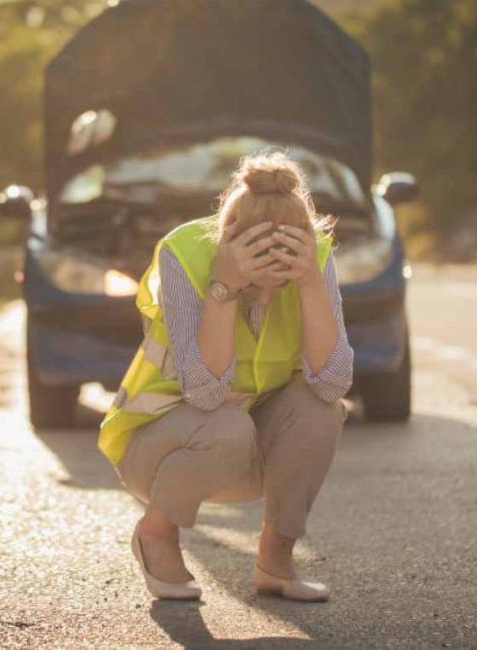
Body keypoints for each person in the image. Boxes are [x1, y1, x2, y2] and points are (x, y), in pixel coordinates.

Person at [97, 150, 354, 602]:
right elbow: (207, 392)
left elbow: (332, 383)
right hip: (160, 450)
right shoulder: (184, 254)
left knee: (322, 410)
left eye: (283, 278)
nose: (270, 292)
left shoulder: (316, 256)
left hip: (248, 449)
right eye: (259, 275)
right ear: (229, 244)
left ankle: (275, 561)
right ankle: (155, 532)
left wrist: (311, 283)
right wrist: (224, 288)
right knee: (227, 425)